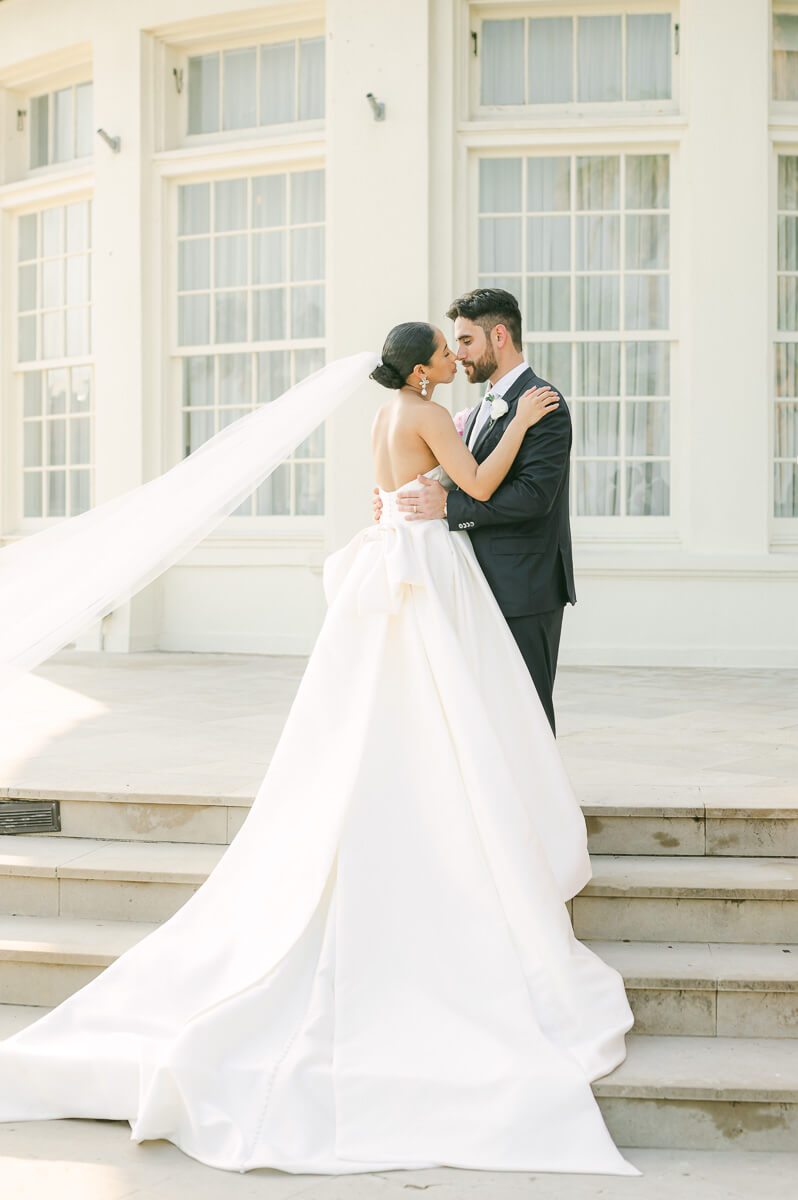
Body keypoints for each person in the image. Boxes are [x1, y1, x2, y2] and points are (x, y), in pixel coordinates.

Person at [0, 323, 637, 1178]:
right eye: (444, 355)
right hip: (426, 561)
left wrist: (426, 490)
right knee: (443, 707)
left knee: (398, 706)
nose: (454, 361)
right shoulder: (431, 411)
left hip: (397, 554)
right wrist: (519, 426)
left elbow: (404, 490)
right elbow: (479, 482)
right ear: (422, 368)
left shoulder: (387, 415)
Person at [373, 288, 574, 734]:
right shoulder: (477, 406)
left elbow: (533, 497)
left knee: (527, 716)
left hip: (523, 586)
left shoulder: (543, 403)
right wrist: (399, 498)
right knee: (481, 717)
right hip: (470, 580)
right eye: (452, 346)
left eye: (465, 341)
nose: (458, 354)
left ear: (498, 335)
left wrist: (447, 509)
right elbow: (457, 472)